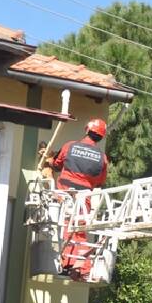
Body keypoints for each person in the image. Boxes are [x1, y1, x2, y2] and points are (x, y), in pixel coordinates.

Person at [48, 119, 109, 279]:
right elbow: (100, 181)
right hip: (84, 199)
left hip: (64, 192)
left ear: (87, 129)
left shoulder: (70, 146)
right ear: (101, 137)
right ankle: (80, 267)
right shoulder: (102, 158)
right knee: (79, 231)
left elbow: (56, 164)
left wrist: (49, 162)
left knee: (64, 227)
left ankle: (67, 264)